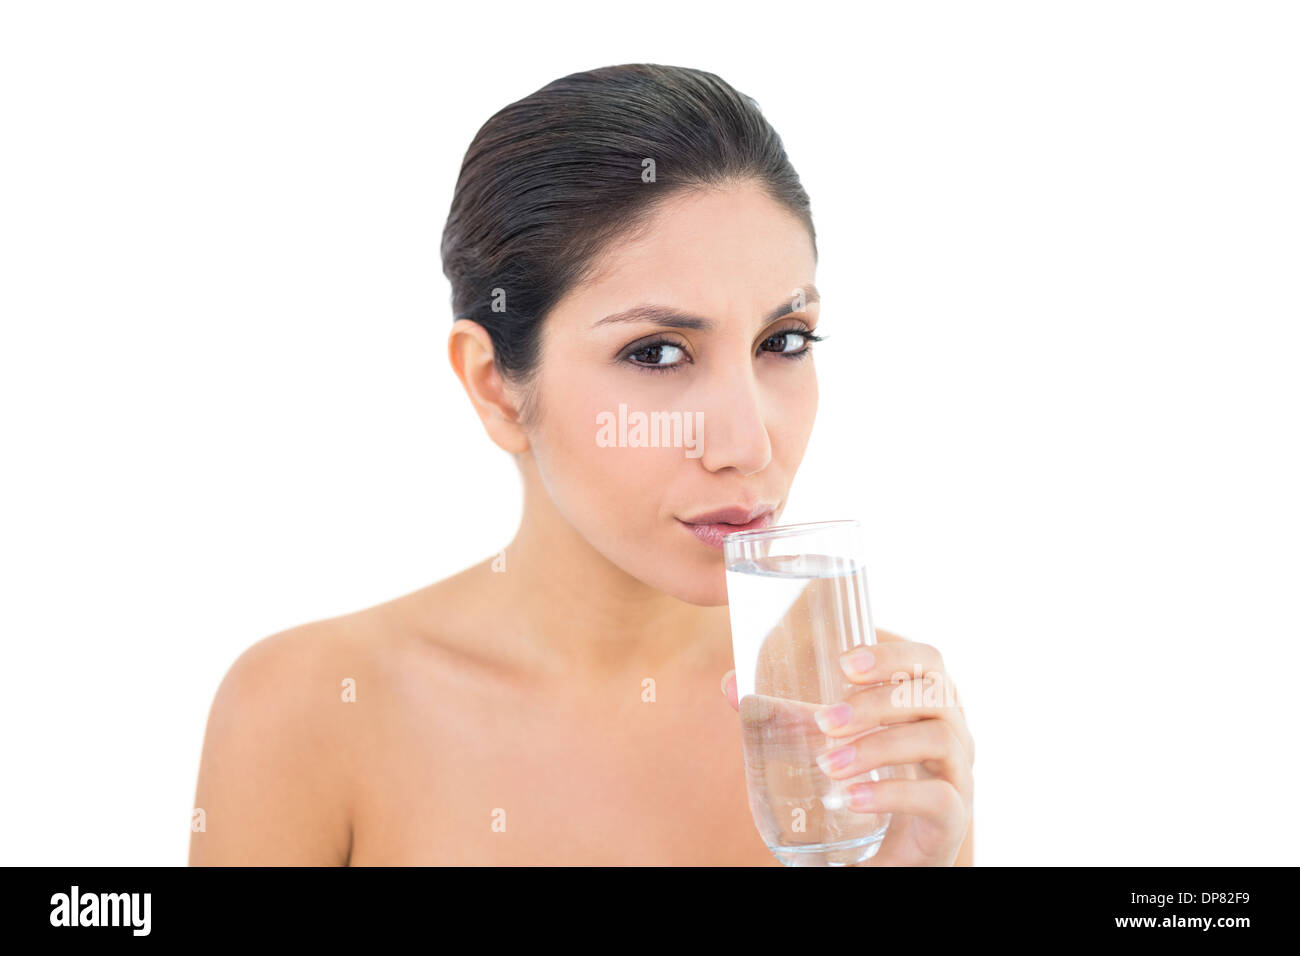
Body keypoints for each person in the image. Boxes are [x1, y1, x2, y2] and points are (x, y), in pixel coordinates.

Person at [189, 63, 975, 866]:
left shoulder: (866, 726)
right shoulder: (305, 711)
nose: (749, 444)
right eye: (658, 352)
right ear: (494, 385)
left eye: (783, 342)